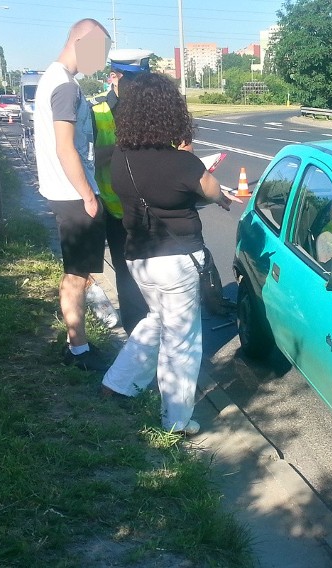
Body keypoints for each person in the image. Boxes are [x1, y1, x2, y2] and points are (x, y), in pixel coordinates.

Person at [101, 73, 241, 435]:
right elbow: (211, 191)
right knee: (182, 341)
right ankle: (176, 421)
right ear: (170, 112)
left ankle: (118, 382)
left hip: (139, 257)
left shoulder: (121, 158)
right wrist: (194, 161)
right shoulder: (182, 163)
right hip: (178, 260)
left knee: (157, 320)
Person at [34, 19, 112, 372]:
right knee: (78, 275)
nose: (102, 60)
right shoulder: (65, 87)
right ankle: (78, 350)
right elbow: (66, 148)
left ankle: (75, 344)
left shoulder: (53, 79)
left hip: (62, 191)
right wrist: (89, 196)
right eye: (101, 51)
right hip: (73, 193)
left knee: (75, 272)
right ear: (83, 42)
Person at [91, 48, 152, 335]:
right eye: (132, 80)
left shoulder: (151, 110)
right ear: (114, 77)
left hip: (153, 211)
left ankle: (156, 341)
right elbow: (86, 158)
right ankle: (136, 341)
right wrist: (119, 150)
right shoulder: (98, 113)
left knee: (155, 280)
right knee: (128, 281)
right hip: (118, 213)